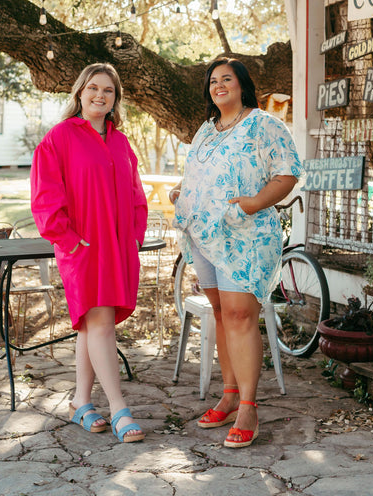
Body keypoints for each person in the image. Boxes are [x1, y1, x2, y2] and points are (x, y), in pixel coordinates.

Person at [170, 57, 303, 448]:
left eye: (227, 79)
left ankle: (248, 406)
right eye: (213, 81)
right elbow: (197, 174)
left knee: (240, 314)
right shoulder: (206, 131)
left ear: (242, 85)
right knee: (220, 314)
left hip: (248, 236)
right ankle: (228, 395)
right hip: (206, 236)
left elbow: (287, 172)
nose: (219, 85)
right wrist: (183, 191)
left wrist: (252, 203)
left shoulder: (264, 124)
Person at [31, 62, 148, 443]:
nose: (100, 95)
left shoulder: (120, 141)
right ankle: (118, 407)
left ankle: (80, 401)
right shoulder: (60, 138)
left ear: (116, 100)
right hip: (81, 246)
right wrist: (67, 239)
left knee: (92, 322)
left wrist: (134, 235)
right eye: (93, 88)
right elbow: (45, 196)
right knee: (99, 320)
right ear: (79, 92)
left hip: (117, 246)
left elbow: (134, 194)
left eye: (108, 91)